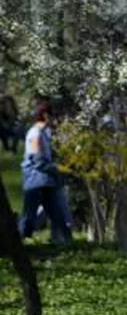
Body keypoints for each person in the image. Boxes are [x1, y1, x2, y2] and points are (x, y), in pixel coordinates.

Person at [17, 104, 71, 245]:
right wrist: (56, 170)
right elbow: (37, 159)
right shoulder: (35, 134)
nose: (55, 120)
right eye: (53, 116)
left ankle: (66, 241)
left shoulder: (44, 133)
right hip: (35, 180)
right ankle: (20, 241)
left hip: (47, 181)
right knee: (30, 214)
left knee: (57, 213)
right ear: (46, 115)